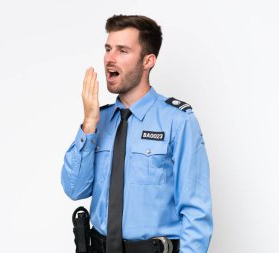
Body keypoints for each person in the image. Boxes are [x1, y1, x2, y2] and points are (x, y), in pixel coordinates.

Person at [61, 14, 213, 253]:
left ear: (147, 61)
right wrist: (88, 124)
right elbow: (74, 189)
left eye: (122, 51)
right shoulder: (98, 122)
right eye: (108, 48)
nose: (110, 59)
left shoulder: (178, 122)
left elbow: (196, 212)